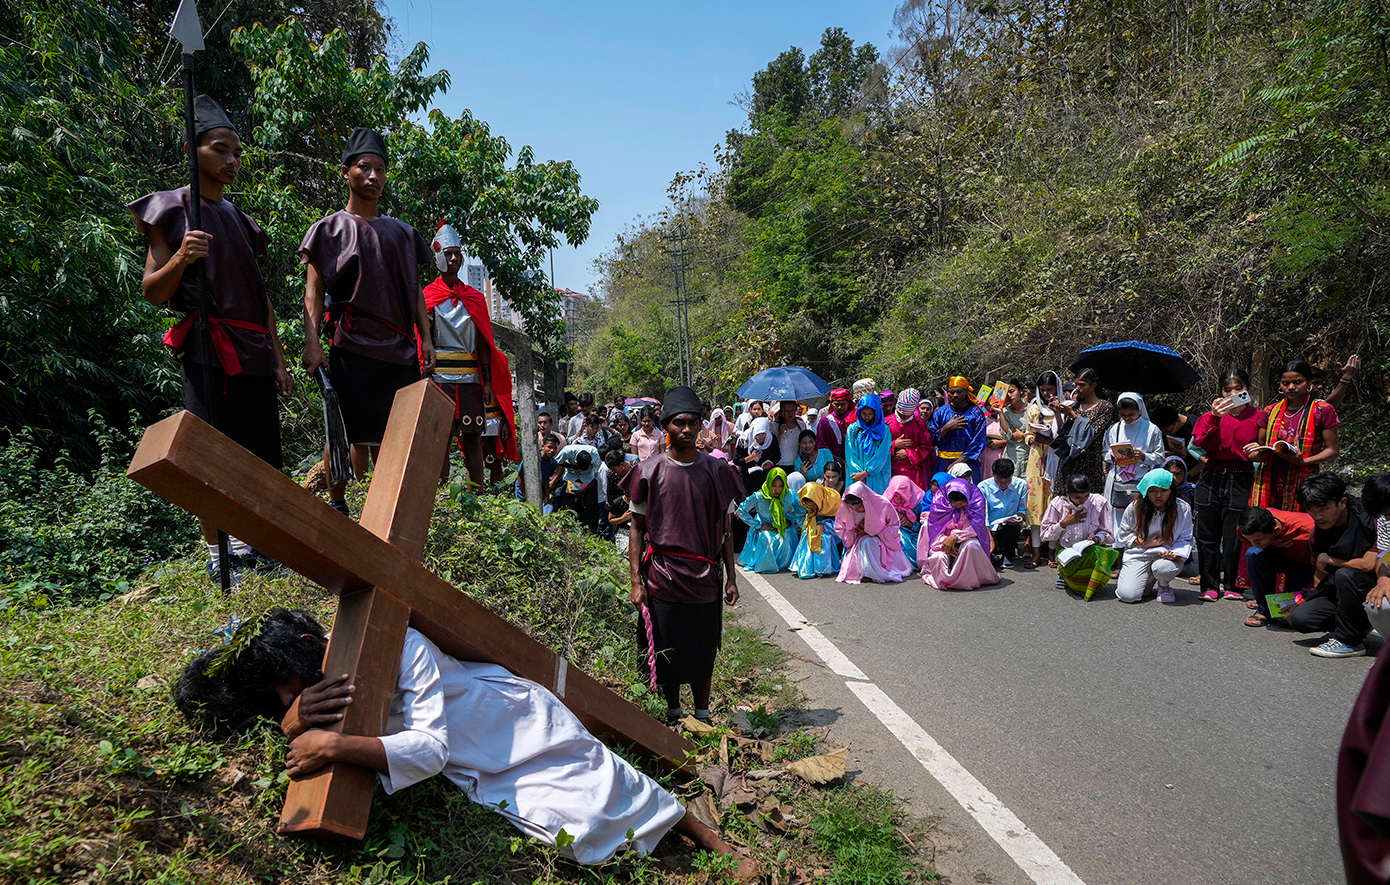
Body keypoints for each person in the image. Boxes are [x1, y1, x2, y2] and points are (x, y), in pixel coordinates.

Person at [174, 609, 752, 875]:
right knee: (572, 832)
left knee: (606, 777)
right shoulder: (311, 698)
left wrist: (332, 747)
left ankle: (706, 839)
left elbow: (428, 751)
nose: (288, 699)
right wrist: (293, 723)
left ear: (306, 642)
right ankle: (656, 857)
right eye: (274, 696)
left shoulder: (398, 645)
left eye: (286, 683)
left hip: (511, 719)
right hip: (480, 764)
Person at [129, 95, 292, 583]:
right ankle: (222, 555)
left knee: (262, 453)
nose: (231, 161)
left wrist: (280, 360)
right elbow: (152, 292)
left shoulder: (244, 223)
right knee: (210, 451)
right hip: (205, 343)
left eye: (236, 154)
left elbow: (260, 297)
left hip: (254, 350)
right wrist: (181, 258)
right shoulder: (171, 209)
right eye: (220, 150)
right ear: (191, 149)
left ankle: (258, 547)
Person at [299, 128, 435, 517]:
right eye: (364, 168)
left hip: (399, 348)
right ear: (346, 172)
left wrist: (425, 339)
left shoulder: (403, 234)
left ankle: (390, 507)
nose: (373, 176)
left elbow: (414, 292)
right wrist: (312, 342)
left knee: (396, 435)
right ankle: (338, 504)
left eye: (380, 169)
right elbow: (313, 292)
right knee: (342, 431)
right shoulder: (328, 229)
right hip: (351, 345)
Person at [624, 386, 745, 725]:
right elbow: (636, 527)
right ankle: (674, 713)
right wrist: (636, 581)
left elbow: (725, 528)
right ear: (666, 428)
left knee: (703, 649)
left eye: (694, 423)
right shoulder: (648, 471)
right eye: (680, 423)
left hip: (705, 577)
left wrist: (732, 577)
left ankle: (703, 715)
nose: (688, 430)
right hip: (662, 575)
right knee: (669, 650)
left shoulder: (718, 471)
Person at [422, 223, 515, 491]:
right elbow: (424, 340)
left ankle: (478, 492)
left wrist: (487, 381)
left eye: (458, 254)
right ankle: (438, 493)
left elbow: (484, 342)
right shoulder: (428, 296)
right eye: (449, 253)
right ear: (438, 255)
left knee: (473, 435)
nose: (454, 259)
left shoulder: (474, 297)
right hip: (439, 376)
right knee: (441, 436)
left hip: (471, 377)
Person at [1286, 473, 1379, 657]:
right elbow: (1320, 574)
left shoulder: (1370, 518)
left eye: (1323, 508)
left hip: (1376, 586)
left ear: (1342, 502)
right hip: (1341, 592)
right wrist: (1309, 598)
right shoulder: (1317, 534)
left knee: (1346, 574)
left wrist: (1329, 559)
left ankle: (1349, 641)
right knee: (1300, 618)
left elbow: (1371, 564)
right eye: (1311, 510)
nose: (1317, 516)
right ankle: (1356, 625)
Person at [1190, 368, 1262, 601]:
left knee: (1235, 535)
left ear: (1247, 389)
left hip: (1241, 477)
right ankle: (1209, 585)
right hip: (1211, 475)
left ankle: (1233, 584)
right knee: (1206, 534)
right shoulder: (1210, 416)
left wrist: (1259, 451)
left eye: (1238, 388)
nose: (1232, 393)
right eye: (1227, 389)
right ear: (1220, 392)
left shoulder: (1258, 416)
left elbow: (1262, 448)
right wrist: (1214, 417)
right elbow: (1199, 442)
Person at [1246, 359, 1341, 512]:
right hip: (1270, 478)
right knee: (1267, 524)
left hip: (1303, 476)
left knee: (1299, 524)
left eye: (1298, 382)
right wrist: (1256, 454)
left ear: (1309, 381)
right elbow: (1259, 447)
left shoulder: (1323, 410)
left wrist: (1303, 461)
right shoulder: (1270, 411)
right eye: (1285, 383)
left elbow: (1333, 450)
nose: (1291, 387)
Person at [1115, 468, 1193, 604]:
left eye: (1163, 491)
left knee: (1162, 568)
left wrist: (1175, 553)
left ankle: (1163, 585)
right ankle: (1148, 579)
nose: (1158, 495)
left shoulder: (1182, 509)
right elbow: (1124, 533)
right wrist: (1143, 543)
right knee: (1128, 595)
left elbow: (1185, 538)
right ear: (1145, 491)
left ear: (1171, 491)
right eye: (1153, 491)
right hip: (1139, 553)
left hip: (1167, 556)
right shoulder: (1135, 507)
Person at [1042, 475, 1118, 599]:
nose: (1083, 500)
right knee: (1076, 581)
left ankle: (1084, 578)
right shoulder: (1058, 503)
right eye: (1078, 497)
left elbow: (1109, 533)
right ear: (1068, 492)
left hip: (1091, 550)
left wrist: (1097, 538)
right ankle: (1065, 574)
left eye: (1086, 496)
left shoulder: (1098, 502)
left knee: (1094, 562)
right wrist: (1063, 524)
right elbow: (1045, 534)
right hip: (1066, 551)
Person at [1239, 505, 1315, 627]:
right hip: (1279, 558)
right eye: (1251, 540)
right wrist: (1272, 543)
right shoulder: (1248, 526)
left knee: (1297, 616)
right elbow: (1251, 543)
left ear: (1276, 531)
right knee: (1253, 553)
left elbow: (1322, 566)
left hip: (1307, 566)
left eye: (1258, 540)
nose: (1254, 543)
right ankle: (1263, 610)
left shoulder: (1308, 529)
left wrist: (1305, 597)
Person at [921, 478, 999, 590]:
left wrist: (955, 537)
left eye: (962, 503)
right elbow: (935, 529)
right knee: (938, 556)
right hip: (943, 541)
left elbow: (976, 528)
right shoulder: (940, 505)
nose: (959, 506)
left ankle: (968, 579)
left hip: (967, 539)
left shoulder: (975, 503)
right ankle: (946, 580)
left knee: (972, 546)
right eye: (955, 503)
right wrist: (946, 542)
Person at [1102, 392, 1166, 528]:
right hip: (1118, 479)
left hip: (1142, 478)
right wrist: (1113, 455)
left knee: (1140, 518)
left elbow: (1160, 457)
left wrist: (1143, 456)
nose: (1127, 418)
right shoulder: (1114, 429)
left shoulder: (1152, 430)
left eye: (1131, 414)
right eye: (1123, 415)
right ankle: (1119, 547)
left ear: (1139, 411)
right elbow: (1104, 454)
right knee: (1117, 522)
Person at [834, 482, 913, 584]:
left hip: (883, 541)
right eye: (852, 508)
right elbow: (840, 528)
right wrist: (854, 532)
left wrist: (871, 530)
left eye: (858, 507)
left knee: (868, 542)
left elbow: (894, 526)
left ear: (865, 500)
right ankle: (865, 571)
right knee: (865, 541)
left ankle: (874, 572)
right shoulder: (845, 508)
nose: (856, 510)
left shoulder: (883, 504)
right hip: (857, 541)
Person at [1052, 367, 1115, 496]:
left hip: (1089, 461)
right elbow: (1064, 433)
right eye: (1076, 385)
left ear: (1094, 385)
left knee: (1088, 502)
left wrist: (1074, 416)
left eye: (1082, 385)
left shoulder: (1104, 408)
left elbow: (1090, 434)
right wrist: (1057, 414)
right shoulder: (1075, 406)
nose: (1078, 388)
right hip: (1069, 459)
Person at [1024, 372, 1063, 567]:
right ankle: (1036, 552)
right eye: (1043, 390)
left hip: (1056, 459)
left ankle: (1052, 551)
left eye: (1050, 389)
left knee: (1054, 503)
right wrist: (1034, 438)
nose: (1047, 393)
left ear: (1057, 388)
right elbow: (1026, 435)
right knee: (1036, 504)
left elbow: (1066, 434)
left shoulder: (1065, 408)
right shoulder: (1033, 409)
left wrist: (1057, 412)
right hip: (1037, 459)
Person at [736, 467, 803, 573]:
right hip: (763, 526)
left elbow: (799, 511)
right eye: (774, 485)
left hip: (782, 526)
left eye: (781, 486)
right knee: (767, 539)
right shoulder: (759, 496)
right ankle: (766, 566)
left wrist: (789, 520)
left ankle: (783, 564)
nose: (777, 490)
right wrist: (758, 525)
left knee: (786, 539)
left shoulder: (789, 495)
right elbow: (741, 511)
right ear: (768, 483)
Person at [928, 376, 988, 481]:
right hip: (944, 463)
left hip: (968, 463)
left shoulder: (976, 413)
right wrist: (947, 427)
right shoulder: (941, 412)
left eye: (959, 392)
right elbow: (930, 439)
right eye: (952, 392)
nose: (955, 395)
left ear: (966, 391)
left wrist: (958, 462)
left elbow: (979, 442)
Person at [980, 458, 1028, 569]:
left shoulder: (1021, 485)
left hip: (1010, 526)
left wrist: (1018, 519)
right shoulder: (983, 487)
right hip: (990, 527)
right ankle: (995, 551)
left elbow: (1022, 510)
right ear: (993, 475)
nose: (1003, 485)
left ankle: (1009, 555)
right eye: (999, 481)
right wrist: (989, 538)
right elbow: (983, 515)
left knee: (1010, 530)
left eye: (1007, 481)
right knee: (990, 551)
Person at [791, 481, 842, 579]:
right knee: (807, 534)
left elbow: (841, 520)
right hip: (812, 524)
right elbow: (799, 517)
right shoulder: (801, 501)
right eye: (809, 506)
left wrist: (826, 526)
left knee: (824, 537)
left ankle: (824, 567)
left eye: (814, 505)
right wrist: (809, 526)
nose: (812, 508)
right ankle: (807, 566)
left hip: (830, 527)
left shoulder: (833, 500)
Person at [887, 388, 934, 489]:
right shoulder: (886, 423)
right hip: (888, 471)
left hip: (912, 473)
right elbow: (876, 447)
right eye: (902, 413)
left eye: (907, 414)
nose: (904, 417)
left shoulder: (920, 424)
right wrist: (893, 445)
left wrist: (908, 453)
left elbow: (926, 447)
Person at [846, 393, 892, 494]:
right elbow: (850, 455)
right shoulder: (852, 429)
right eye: (864, 414)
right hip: (856, 476)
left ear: (876, 413)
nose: (866, 417)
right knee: (857, 504)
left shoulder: (884, 430)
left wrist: (866, 473)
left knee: (876, 504)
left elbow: (882, 455)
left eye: (870, 414)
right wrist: (859, 475)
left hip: (877, 476)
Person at [554, 443, 601, 533]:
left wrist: (583, 491)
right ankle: (567, 524)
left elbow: (596, 478)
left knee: (590, 502)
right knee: (561, 496)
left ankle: (587, 527)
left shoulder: (595, 455)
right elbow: (557, 462)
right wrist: (572, 466)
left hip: (588, 479)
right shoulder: (567, 451)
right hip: (571, 476)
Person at [885, 475, 928, 565]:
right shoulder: (887, 502)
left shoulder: (919, 502)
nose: (899, 500)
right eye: (896, 496)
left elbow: (926, 526)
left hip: (918, 534)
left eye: (903, 495)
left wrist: (910, 524)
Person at [516, 433, 560, 512]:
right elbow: (519, 476)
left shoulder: (553, 463)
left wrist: (546, 496)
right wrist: (524, 493)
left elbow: (546, 480)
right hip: (523, 489)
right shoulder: (531, 458)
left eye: (555, 448)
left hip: (538, 490)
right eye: (549, 447)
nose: (552, 450)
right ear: (543, 446)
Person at [997, 379, 1031, 469]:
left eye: (1012, 391)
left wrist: (1024, 435)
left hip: (1030, 454)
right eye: (1006, 393)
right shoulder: (1004, 412)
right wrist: (1000, 413)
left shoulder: (1033, 410)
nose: (1009, 396)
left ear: (1021, 391)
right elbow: (1007, 435)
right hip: (1012, 456)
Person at [816, 388, 855, 462]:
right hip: (831, 461)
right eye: (836, 404)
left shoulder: (854, 418)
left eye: (842, 404)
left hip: (854, 460)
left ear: (848, 403)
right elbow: (821, 443)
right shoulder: (825, 421)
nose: (839, 407)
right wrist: (833, 456)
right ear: (831, 403)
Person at [769, 401, 807, 471]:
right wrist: (780, 433)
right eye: (787, 411)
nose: (790, 413)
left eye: (792, 410)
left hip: (796, 465)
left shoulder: (802, 425)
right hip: (778, 465)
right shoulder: (773, 426)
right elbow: (772, 447)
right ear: (781, 411)